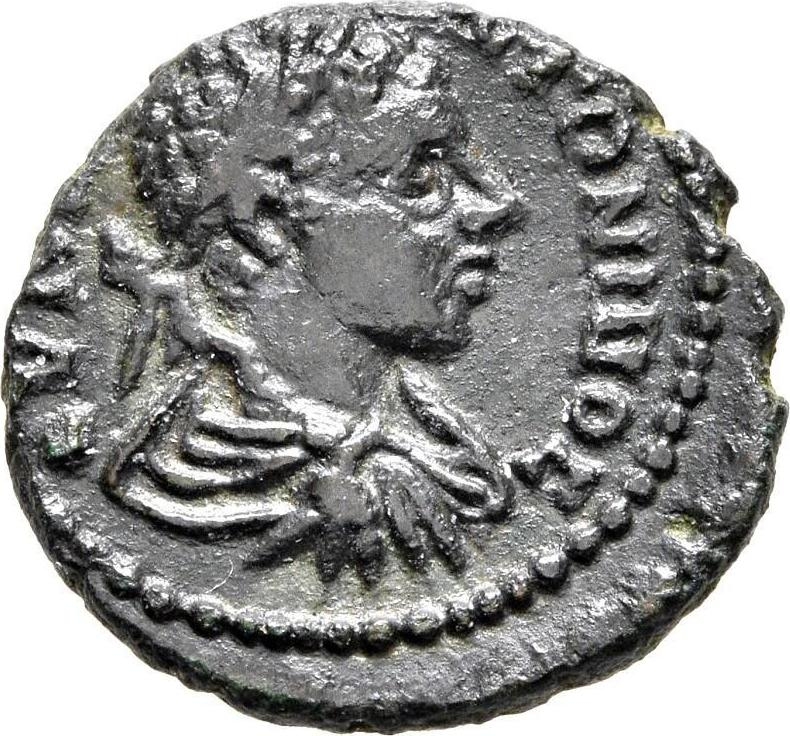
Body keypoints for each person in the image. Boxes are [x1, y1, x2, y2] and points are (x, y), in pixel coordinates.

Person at [100, 16, 525, 583]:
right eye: (421, 172)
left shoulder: (449, 455)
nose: (496, 204)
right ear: (272, 213)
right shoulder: (179, 477)